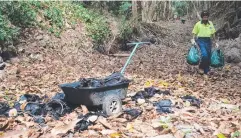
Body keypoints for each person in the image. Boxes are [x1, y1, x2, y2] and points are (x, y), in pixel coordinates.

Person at [191, 11, 217, 75]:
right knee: (204, 55)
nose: (205, 18)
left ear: (208, 17)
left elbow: (213, 33)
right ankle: (201, 67)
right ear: (202, 17)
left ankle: (207, 70)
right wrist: (193, 40)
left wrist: (215, 42)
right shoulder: (198, 24)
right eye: (204, 17)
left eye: (206, 17)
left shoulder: (210, 23)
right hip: (200, 40)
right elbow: (194, 33)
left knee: (208, 55)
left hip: (208, 40)